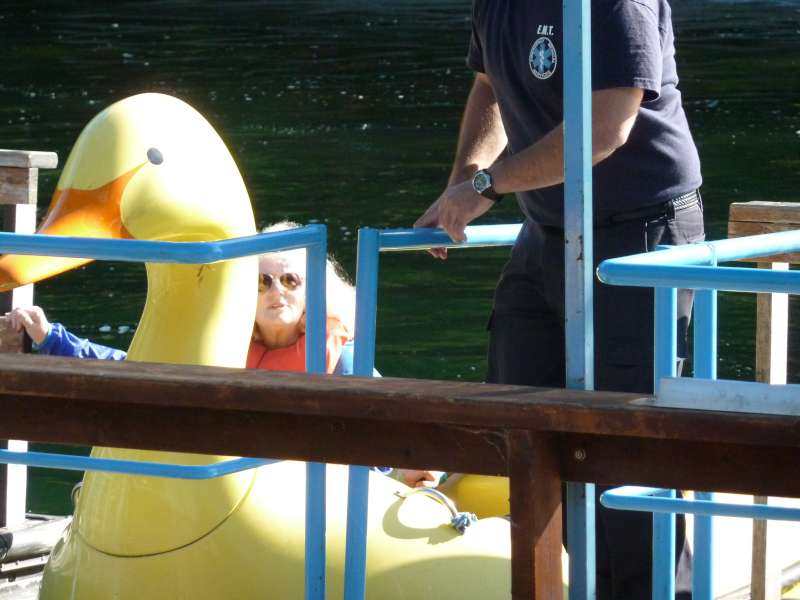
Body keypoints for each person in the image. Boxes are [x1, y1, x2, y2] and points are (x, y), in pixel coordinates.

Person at [414, 2, 701, 599]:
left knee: (626, 442)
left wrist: (488, 185)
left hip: (641, 229)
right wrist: (463, 180)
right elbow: (489, 86)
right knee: (523, 420)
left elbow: (608, 124)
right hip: (547, 229)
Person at [6, 221, 362, 377]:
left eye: (290, 280)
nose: (276, 292)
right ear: (240, 291)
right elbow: (138, 368)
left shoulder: (343, 361)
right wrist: (51, 338)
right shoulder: (220, 346)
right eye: (261, 282)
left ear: (313, 291)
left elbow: (379, 451)